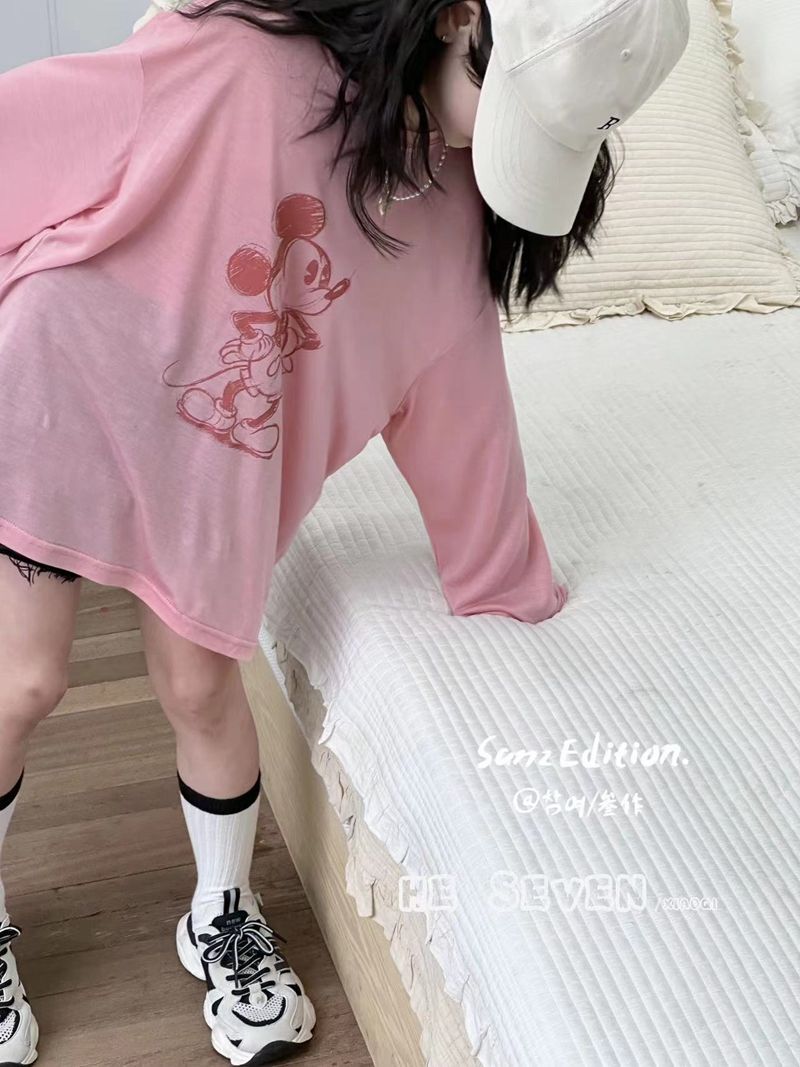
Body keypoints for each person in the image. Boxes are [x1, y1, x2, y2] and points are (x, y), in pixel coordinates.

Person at [0, 0, 689, 1062]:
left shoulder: (451, 224)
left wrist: (506, 578)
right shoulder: (237, 56)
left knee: (200, 686)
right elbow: (37, 128)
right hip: (60, 387)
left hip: (213, 471)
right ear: (456, 17)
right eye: (501, 102)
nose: (486, 142)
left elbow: (464, 415)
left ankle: (221, 911)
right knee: (24, 679)